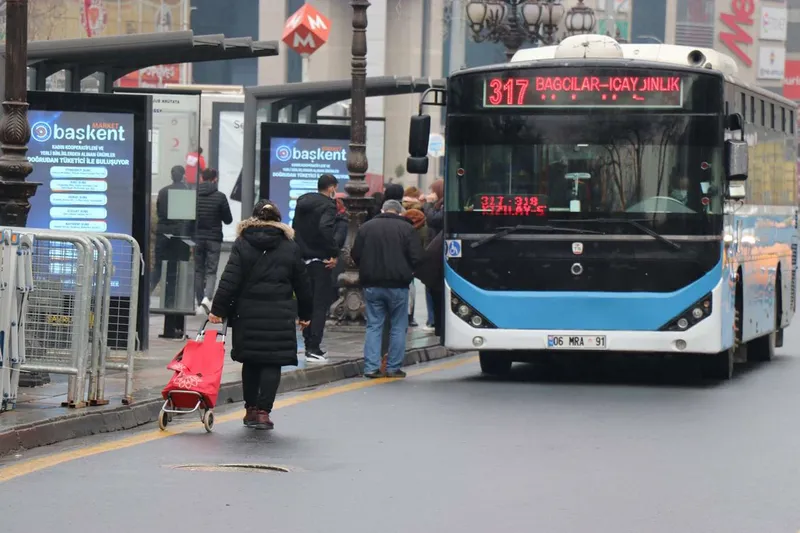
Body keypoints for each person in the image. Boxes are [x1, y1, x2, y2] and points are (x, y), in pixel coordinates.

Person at [208, 200, 312, 430]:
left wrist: (218, 310)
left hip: (247, 313)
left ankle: (251, 410)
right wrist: (305, 314)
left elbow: (230, 279)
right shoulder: (290, 246)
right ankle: (263, 413)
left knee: (251, 360)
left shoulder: (243, 243)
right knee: (272, 362)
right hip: (279, 314)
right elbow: (302, 284)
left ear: (253, 218)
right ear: (278, 220)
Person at [352, 199, 422, 379]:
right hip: (398, 284)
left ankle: (371, 367)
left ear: (383, 210)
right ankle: (393, 367)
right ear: (399, 212)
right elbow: (417, 256)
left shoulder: (366, 227)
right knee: (398, 326)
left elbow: (355, 254)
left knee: (374, 325)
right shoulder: (407, 229)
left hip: (372, 284)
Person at [292, 174, 340, 363]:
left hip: (302, 259)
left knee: (306, 303)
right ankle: (314, 347)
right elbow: (324, 228)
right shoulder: (328, 205)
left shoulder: (302, 202)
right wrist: (333, 252)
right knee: (319, 306)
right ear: (331, 188)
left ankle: (307, 344)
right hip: (320, 261)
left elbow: (295, 228)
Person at [195, 168, 233, 314]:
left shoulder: (195, 195)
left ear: (201, 178)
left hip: (197, 238)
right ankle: (207, 298)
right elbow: (228, 219)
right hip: (214, 238)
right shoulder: (220, 197)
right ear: (215, 179)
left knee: (199, 269)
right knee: (211, 270)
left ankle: (200, 301)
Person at [151, 165, 188, 293]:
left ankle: (147, 291)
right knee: (174, 269)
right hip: (178, 233)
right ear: (183, 176)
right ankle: (170, 298)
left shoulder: (163, 191)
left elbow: (159, 211)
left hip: (163, 232)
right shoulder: (187, 192)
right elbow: (188, 216)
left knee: (159, 266)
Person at [402, 186, 428, 328]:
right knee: (411, 287)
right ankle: (410, 316)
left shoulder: (401, 213)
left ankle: (404, 315)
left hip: (400, 256)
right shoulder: (422, 215)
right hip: (414, 257)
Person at [422, 179, 444, 330]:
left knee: (433, 286)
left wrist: (428, 204)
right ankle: (433, 319)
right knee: (430, 286)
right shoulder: (438, 205)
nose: (431, 194)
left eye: (433, 191)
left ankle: (434, 320)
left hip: (438, 252)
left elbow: (433, 220)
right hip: (433, 250)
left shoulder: (442, 205)